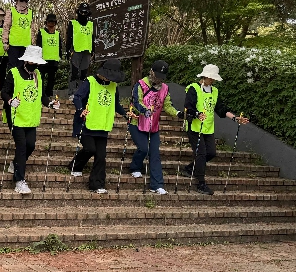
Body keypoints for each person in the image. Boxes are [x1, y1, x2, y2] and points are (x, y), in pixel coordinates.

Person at [1, 45, 60, 194]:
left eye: (37, 62)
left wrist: (50, 104)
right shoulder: (14, 73)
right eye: (33, 62)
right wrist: (10, 101)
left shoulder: (38, 74)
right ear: (26, 60)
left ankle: (15, 163)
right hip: (16, 116)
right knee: (21, 146)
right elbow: (4, 92)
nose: (35, 65)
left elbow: (42, 95)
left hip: (31, 117)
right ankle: (19, 181)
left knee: (31, 145)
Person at [182, 64, 249, 195]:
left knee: (211, 153)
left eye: (213, 78)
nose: (212, 80)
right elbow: (188, 107)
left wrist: (235, 118)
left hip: (208, 128)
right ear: (204, 76)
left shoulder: (215, 91)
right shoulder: (193, 88)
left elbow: (221, 109)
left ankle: (190, 168)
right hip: (194, 127)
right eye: (210, 77)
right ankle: (201, 183)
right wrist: (197, 114)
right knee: (201, 154)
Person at [70, 59, 128, 194]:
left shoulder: (113, 86)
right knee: (90, 149)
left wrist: (126, 114)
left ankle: (97, 184)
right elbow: (77, 97)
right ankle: (76, 165)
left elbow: (116, 104)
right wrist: (80, 110)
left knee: (101, 156)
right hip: (86, 123)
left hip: (103, 125)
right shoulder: (90, 81)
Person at [128, 60, 185, 195]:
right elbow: (136, 102)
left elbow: (168, 106)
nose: (159, 79)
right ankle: (135, 166)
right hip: (137, 122)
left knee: (155, 154)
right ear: (151, 72)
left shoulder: (165, 88)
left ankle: (157, 185)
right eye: (157, 76)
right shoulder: (140, 85)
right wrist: (145, 111)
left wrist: (178, 113)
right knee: (143, 148)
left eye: (161, 77)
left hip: (153, 126)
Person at [67, 3, 94, 96]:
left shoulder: (91, 24)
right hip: (76, 51)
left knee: (83, 74)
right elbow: (69, 37)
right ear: (78, 12)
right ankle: (71, 93)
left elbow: (93, 38)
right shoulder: (73, 23)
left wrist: (93, 51)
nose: (83, 14)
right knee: (74, 72)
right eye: (81, 12)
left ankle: (81, 94)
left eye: (85, 12)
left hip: (87, 52)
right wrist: (68, 50)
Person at [2, 0, 33, 70]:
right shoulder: (11, 11)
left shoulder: (31, 12)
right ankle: (10, 79)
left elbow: (32, 29)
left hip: (26, 45)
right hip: (13, 44)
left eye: (25, 1)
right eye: (21, 0)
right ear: (16, 1)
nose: (23, 3)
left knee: (22, 67)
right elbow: (6, 27)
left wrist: (33, 43)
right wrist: (5, 42)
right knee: (12, 66)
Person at [35, 13, 62, 99]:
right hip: (43, 59)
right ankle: (41, 94)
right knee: (41, 78)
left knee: (51, 79)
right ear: (46, 23)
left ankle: (49, 94)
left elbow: (60, 46)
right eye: (50, 22)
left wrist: (60, 57)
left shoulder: (57, 34)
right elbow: (38, 45)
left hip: (54, 60)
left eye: (53, 22)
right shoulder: (41, 32)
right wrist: (37, 58)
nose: (51, 24)